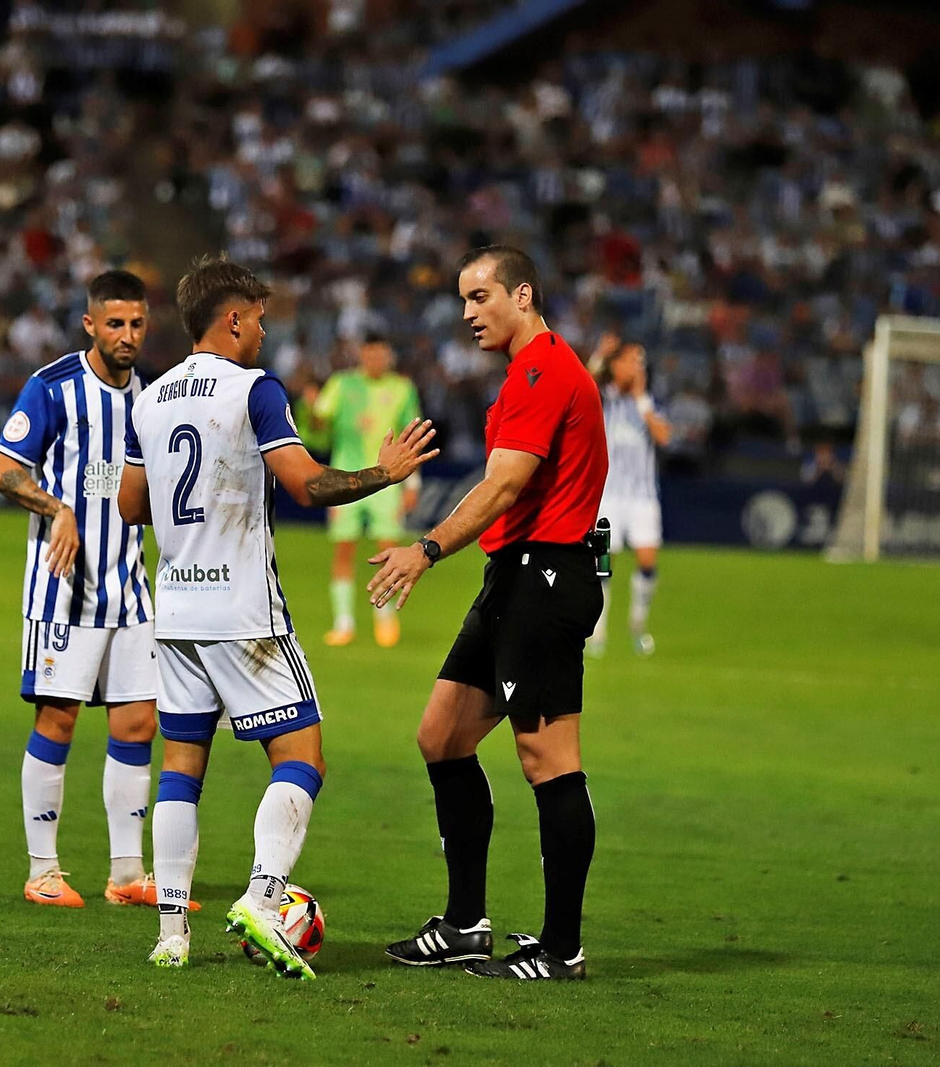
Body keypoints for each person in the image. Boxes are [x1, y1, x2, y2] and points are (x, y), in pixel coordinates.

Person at [118, 254, 437, 976]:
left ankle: (172, 932)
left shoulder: (151, 397)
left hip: (177, 611)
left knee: (180, 767)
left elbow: (131, 507)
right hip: (243, 610)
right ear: (232, 319)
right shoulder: (254, 390)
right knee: (302, 754)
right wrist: (383, 474)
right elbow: (305, 484)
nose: (263, 332)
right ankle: (263, 898)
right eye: (259, 319)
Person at [368, 245, 608, 981]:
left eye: (480, 297)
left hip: (546, 576)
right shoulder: (524, 375)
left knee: (549, 760)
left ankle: (561, 949)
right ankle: (468, 923)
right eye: (463, 300)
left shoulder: (542, 372)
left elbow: (504, 487)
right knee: (441, 735)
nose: (468, 313)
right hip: (515, 578)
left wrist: (426, 548)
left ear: (523, 294)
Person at [0, 270, 167, 911]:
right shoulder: (54, 387)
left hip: (131, 587)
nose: (127, 335)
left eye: (137, 324)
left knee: (139, 723)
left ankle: (125, 875)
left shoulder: (152, 396)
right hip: (64, 589)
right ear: (90, 324)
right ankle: (44, 870)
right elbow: (1, 469)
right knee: (57, 719)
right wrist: (56, 508)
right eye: (114, 323)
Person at [305, 335, 423, 648]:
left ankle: (385, 618)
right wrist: (310, 407)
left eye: (381, 354)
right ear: (362, 354)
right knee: (344, 549)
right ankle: (343, 622)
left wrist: (413, 482)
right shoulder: (342, 384)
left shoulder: (402, 388)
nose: (376, 360)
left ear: (388, 356)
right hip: (347, 479)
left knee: (388, 549)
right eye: (370, 353)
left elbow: (410, 436)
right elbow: (318, 427)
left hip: (387, 480)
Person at [588, 333, 671, 656]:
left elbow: (664, 437)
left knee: (648, 559)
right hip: (608, 495)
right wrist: (599, 355)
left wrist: (641, 398)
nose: (634, 368)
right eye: (628, 362)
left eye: (638, 363)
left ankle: (638, 625)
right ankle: (597, 631)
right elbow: (579, 384)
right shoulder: (604, 398)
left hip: (643, 496)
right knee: (603, 563)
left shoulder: (649, 402)